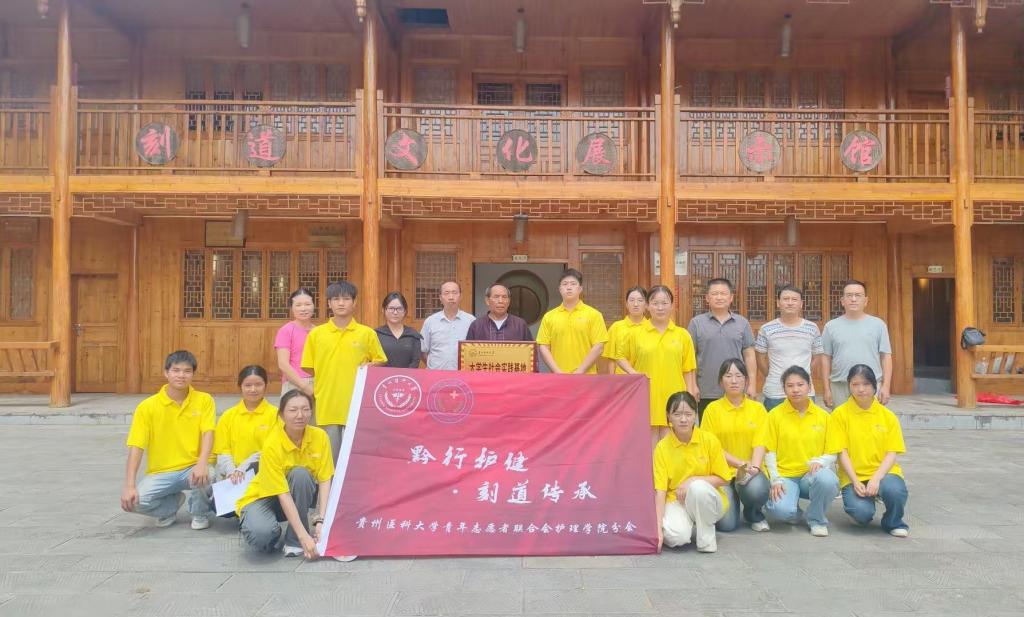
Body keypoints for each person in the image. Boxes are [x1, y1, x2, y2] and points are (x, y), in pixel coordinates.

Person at [120, 350, 214, 530]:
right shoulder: (147, 407)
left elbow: (208, 433)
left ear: (193, 374)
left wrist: (202, 463)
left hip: (192, 466)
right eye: (176, 370)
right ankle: (170, 506)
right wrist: (129, 485)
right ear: (166, 372)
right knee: (134, 501)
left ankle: (199, 514)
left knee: (208, 475)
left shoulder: (204, 400)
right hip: (161, 472)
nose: (181, 375)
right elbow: (136, 446)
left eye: (187, 371)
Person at [237, 389, 337, 559]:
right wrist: (305, 536)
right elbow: (282, 494)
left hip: (296, 492)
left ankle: (293, 540)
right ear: (282, 415)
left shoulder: (320, 436)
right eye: (293, 410)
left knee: (300, 475)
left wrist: (321, 520)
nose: (300, 415)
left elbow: (325, 479)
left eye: (305, 409)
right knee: (262, 536)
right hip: (264, 496)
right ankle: (265, 527)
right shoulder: (272, 444)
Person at [301, 280, 387, 462]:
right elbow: (309, 368)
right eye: (336, 299)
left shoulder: (367, 333)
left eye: (346, 299)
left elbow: (380, 361)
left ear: (354, 302)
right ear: (329, 303)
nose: (341, 303)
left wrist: (369, 366)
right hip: (327, 405)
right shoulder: (316, 334)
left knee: (354, 460)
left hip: (357, 405)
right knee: (328, 460)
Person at [758, 366, 839, 537]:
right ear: (784, 389)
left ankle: (816, 519)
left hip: (810, 476)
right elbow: (769, 451)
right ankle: (791, 509)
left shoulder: (823, 416)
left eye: (800, 385)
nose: (795, 390)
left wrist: (821, 461)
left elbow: (833, 451)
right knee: (781, 511)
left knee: (828, 480)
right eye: (790, 386)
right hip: (785, 476)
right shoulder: (774, 415)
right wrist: (775, 479)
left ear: (809, 387)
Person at [829, 364, 910, 537]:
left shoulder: (888, 416)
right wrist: (855, 480)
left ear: (874, 386)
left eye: (866, 384)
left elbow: (892, 452)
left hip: (883, 473)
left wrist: (876, 478)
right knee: (862, 514)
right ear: (849, 386)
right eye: (855, 384)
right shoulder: (839, 415)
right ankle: (861, 506)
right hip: (853, 475)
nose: (860, 389)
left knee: (894, 490)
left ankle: (893, 522)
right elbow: (841, 452)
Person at [613, 285, 696, 449]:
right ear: (647, 306)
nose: (660, 308)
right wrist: (634, 373)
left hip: (673, 397)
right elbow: (619, 357)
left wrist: (690, 397)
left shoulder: (682, 335)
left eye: (664, 303)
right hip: (645, 397)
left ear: (672, 305)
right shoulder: (635, 333)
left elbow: (688, 369)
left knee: (671, 447)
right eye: (655, 303)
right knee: (647, 447)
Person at [653, 391, 731, 554]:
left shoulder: (709, 440)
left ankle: (706, 539)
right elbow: (660, 491)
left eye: (688, 414)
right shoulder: (662, 447)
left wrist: (693, 480)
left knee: (698, 488)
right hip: (676, 500)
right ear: (668, 416)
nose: (683, 419)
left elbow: (725, 479)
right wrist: (658, 529)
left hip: (708, 499)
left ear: (695, 415)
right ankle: (684, 525)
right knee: (676, 537)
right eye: (677, 414)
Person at [701, 359, 771, 533]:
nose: (734, 381)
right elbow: (712, 447)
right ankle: (731, 500)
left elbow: (761, 442)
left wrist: (754, 468)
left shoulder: (758, 409)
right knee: (726, 526)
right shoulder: (712, 410)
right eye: (728, 376)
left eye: (739, 376)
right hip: (722, 473)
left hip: (749, 471)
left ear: (746, 380)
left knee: (756, 489)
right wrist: (740, 464)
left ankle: (753, 514)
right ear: (720, 381)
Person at [687, 278, 757, 421]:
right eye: (714, 294)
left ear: (731, 298)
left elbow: (749, 356)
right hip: (706, 390)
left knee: (736, 428)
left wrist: (752, 384)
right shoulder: (696, 323)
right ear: (707, 298)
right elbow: (689, 357)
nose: (719, 297)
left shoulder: (742, 323)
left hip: (736, 389)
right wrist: (692, 385)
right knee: (709, 430)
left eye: (723, 293)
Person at [822, 280, 893, 408]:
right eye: (849, 295)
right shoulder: (830, 326)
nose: (853, 299)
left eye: (858, 295)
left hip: (870, 384)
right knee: (841, 420)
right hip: (840, 386)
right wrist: (826, 389)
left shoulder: (878, 325)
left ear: (865, 301)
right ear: (842, 301)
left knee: (869, 420)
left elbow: (886, 357)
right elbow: (825, 358)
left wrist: (886, 386)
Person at [755, 285, 824, 412]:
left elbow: (817, 357)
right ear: (778, 303)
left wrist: (804, 373)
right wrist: (772, 374)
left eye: (794, 299)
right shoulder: (766, 329)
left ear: (801, 304)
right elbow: (760, 358)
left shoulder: (812, 328)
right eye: (786, 299)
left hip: (805, 391)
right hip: (775, 392)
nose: (790, 303)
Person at [213, 366, 279, 487]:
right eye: (248, 385)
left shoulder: (276, 415)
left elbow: (272, 450)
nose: (253, 389)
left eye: (258, 384)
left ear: (266, 385)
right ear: (240, 387)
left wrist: (244, 468)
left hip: (265, 474)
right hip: (232, 477)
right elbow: (223, 450)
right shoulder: (228, 416)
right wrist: (232, 472)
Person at [536, 268, 608, 374]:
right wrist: (558, 372)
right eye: (565, 284)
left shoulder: (594, 315)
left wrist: (580, 371)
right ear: (560, 289)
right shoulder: (549, 317)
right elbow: (543, 347)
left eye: (573, 284)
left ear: (580, 289)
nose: (569, 287)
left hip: (586, 378)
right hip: (558, 378)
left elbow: (599, 346)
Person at [420, 281, 474, 370]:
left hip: (462, 375)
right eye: (446, 293)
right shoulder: (430, 321)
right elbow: (422, 350)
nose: (451, 297)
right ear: (440, 298)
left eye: (454, 293)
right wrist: (433, 367)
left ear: (460, 296)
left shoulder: (471, 321)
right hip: (435, 374)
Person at [275, 288, 315, 397]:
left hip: (318, 382)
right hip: (293, 383)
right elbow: (283, 364)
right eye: (298, 305)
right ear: (291, 308)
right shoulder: (286, 330)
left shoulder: (319, 331)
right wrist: (305, 387)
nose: (303, 308)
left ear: (313, 306)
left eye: (307, 304)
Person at [602, 286, 648, 375]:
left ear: (646, 304)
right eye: (631, 300)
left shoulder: (651, 328)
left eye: (640, 300)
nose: (635, 304)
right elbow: (611, 358)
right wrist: (613, 379)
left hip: (645, 377)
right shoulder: (616, 327)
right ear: (626, 304)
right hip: (622, 379)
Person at [466, 284, 533, 342]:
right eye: (496, 297)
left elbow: (530, 350)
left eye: (504, 297)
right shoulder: (476, 325)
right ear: (487, 301)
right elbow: (468, 350)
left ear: (509, 301)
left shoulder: (520, 325)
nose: (501, 301)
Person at [374, 292, 423, 369]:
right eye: (391, 308)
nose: (395, 312)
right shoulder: (376, 334)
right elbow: (374, 361)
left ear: (405, 311)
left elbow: (415, 361)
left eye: (399, 309)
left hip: (407, 375)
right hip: (382, 376)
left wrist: (403, 375)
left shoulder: (413, 335)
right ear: (383, 310)